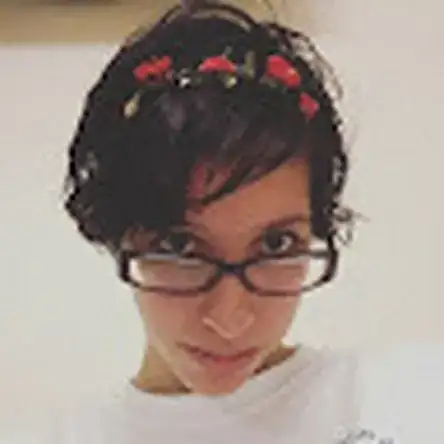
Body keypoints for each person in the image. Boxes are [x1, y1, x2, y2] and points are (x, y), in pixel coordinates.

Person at [55, 0, 391, 442]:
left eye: (276, 244)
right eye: (180, 247)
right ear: (119, 233)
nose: (230, 320)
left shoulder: (401, 397)